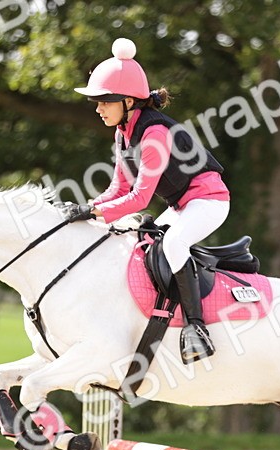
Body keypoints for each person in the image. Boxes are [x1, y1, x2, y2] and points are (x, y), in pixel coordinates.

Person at [64, 38, 230, 364]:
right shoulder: (123, 132)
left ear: (127, 101)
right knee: (136, 244)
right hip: (181, 205)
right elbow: (117, 189)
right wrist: (85, 209)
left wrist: (95, 211)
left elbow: (139, 198)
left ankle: (196, 329)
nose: (98, 108)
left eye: (104, 102)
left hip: (208, 202)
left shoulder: (154, 133)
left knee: (173, 245)